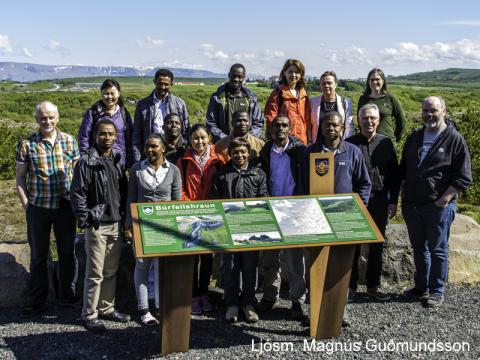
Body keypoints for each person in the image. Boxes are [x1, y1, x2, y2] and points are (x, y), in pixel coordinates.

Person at [400, 96, 472, 307]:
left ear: (443, 111)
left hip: (438, 206)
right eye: (425, 110)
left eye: (433, 110)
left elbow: (463, 176)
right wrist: (404, 193)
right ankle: (421, 286)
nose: (429, 114)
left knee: (438, 249)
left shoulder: (454, 138)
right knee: (418, 249)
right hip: (413, 204)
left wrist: (445, 199)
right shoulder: (415, 136)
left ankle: (437, 290)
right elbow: (405, 166)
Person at [305, 111, 371, 327]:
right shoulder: (310, 152)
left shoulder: (352, 152)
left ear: (342, 128)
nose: (331, 128)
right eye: (327, 124)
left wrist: (358, 210)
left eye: (335, 125)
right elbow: (302, 184)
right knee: (316, 266)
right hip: (315, 219)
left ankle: (337, 311)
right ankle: (314, 310)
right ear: (321, 127)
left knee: (340, 268)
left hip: (344, 218)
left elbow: (364, 183)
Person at [15, 101, 79, 317]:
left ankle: (67, 296)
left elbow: (78, 175)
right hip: (39, 207)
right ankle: (38, 301)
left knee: (67, 253)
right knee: (39, 256)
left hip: (65, 206)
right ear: (36, 119)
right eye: (43, 117)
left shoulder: (70, 141)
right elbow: (20, 178)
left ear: (57, 118)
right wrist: (27, 205)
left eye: (51, 117)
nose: (47, 121)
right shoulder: (27, 145)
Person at [70, 119, 130, 333]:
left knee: (111, 270)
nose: (107, 138)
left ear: (116, 137)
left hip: (116, 222)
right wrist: (86, 219)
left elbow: (121, 191)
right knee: (95, 272)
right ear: (96, 135)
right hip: (98, 224)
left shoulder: (116, 158)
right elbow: (77, 193)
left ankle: (106, 307)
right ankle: (89, 314)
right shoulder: (87, 161)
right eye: (103, 134)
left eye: (111, 134)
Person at [125, 134, 182, 325]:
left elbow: (176, 202)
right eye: (147, 147)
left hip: (165, 227)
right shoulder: (136, 170)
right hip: (141, 226)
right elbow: (131, 198)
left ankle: (161, 306)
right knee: (142, 266)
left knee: (163, 266)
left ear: (163, 148)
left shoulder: (173, 170)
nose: (150, 150)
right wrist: (128, 225)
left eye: (154, 146)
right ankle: (144, 309)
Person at [346, 104, 400, 302]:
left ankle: (373, 286)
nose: (369, 121)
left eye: (372, 118)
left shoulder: (386, 143)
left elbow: (395, 175)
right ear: (359, 120)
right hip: (356, 199)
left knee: (377, 244)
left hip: (379, 198)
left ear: (378, 120)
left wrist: (394, 201)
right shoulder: (349, 144)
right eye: (365, 118)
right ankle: (349, 286)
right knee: (353, 245)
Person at [212, 137, 269, 323]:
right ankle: (232, 304)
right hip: (229, 230)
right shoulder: (222, 174)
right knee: (230, 268)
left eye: (243, 151)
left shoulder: (258, 173)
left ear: (249, 153)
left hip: (251, 230)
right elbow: (215, 202)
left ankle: (248, 304)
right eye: (235, 152)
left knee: (250, 268)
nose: (239, 155)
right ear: (230, 153)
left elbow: (264, 198)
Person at [257, 115, 308, 319]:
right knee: (271, 257)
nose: (280, 128)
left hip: (293, 209)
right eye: (276, 125)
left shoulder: (299, 151)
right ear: (271, 128)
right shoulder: (266, 151)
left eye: (284, 125)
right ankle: (270, 296)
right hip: (271, 207)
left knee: (295, 260)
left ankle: (297, 300)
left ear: (290, 128)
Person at [177, 124, 221, 314]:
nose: (199, 141)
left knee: (207, 257)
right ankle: (193, 295)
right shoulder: (184, 161)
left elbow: (219, 185)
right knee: (191, 257)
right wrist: (190, 207)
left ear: (209, 138)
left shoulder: (218, 160)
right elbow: (180, 188)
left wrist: (210, 206)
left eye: (203, 137)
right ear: (189, 139)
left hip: (211, 214)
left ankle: (204, 293)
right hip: (189, 213)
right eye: (195, 138)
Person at [132, 69, 190, 162]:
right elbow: (137, 135)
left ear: (171, 84)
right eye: (160, 83)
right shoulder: (142, 105)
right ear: (154, 82)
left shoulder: (180, 104)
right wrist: (137, 160)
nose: (163, 87)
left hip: (174, 154)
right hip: (150, 153)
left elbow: (186, 131)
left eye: (166, 84)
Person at [78, 78, 133, 169]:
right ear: (101, 94)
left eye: (112, 93)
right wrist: (86, 158)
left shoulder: (124, 113)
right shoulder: (93, 112)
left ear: (118, 93)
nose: (109, 97)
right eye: (106, 93)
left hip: (119, 162)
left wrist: (130, 163)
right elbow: (83, 136)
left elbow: (129, 138)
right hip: (97, 162)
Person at [206, 63, 264, 142]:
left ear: (244, 78)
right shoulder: (217, 97)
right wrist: (226, 139)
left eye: (240, 77)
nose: (236, 79)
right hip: (223, 144)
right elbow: (211, 123)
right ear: (229, 75)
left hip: (245, 146)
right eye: (234, 76)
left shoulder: (251, 98)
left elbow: (258, 123)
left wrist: (245, 140)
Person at [264, 59, 312, 145]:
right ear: (285, 73)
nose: (293, 75)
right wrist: (276, 138)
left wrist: (310, 140)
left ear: (301, 74)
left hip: (302, 141)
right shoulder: (278, 93)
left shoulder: (303, 95)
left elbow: (307, 120)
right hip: (283, 142)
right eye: (290, 72)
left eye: (297, 72)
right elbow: (271, 118)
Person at [357, 68, 406, 146]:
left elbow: (402, 121)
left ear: (383, 81)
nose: (374, 82)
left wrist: (394, 139)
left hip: (386, 142)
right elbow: (359, 120)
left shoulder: (390, 98)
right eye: (372, 80)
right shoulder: (363, 99)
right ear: (368, 82)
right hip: (366, 142)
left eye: (377, 79)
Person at [310, 71, 354, 142]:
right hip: (317, 145)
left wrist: (346, 144)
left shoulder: (345, 102)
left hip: (338, 146)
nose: (326, 85)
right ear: (320, 85)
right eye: (323, 83)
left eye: (329, 83)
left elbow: (349, 127)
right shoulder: (312, 102)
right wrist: (309, 142)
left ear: (335, 84)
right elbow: (309, 125)